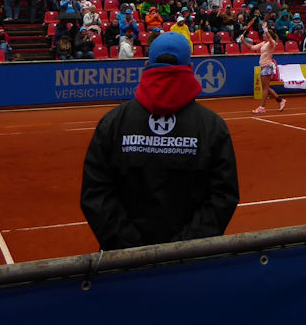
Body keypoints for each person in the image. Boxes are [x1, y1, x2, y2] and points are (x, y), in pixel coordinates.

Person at [80, 32, 239, 250]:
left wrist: (129, 246)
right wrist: (183, 249)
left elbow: (96, 192)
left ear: (147, 65)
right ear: (190, 69)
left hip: (124, 260)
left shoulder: (113, 122)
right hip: (189, 261)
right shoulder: (212, 126)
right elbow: (223, 196)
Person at [247, 24, 287, 114]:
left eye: (264, 34)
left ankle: (262, 108)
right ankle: (280, 100)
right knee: (266, 87)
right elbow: (252, 47)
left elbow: (269, 38)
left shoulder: (272, 43)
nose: (263, 35)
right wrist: (242, 40)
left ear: (268, 35)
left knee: (265, 89)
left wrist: (265, 29)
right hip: (263, 67)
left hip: (267, 66)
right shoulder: (263, 43)